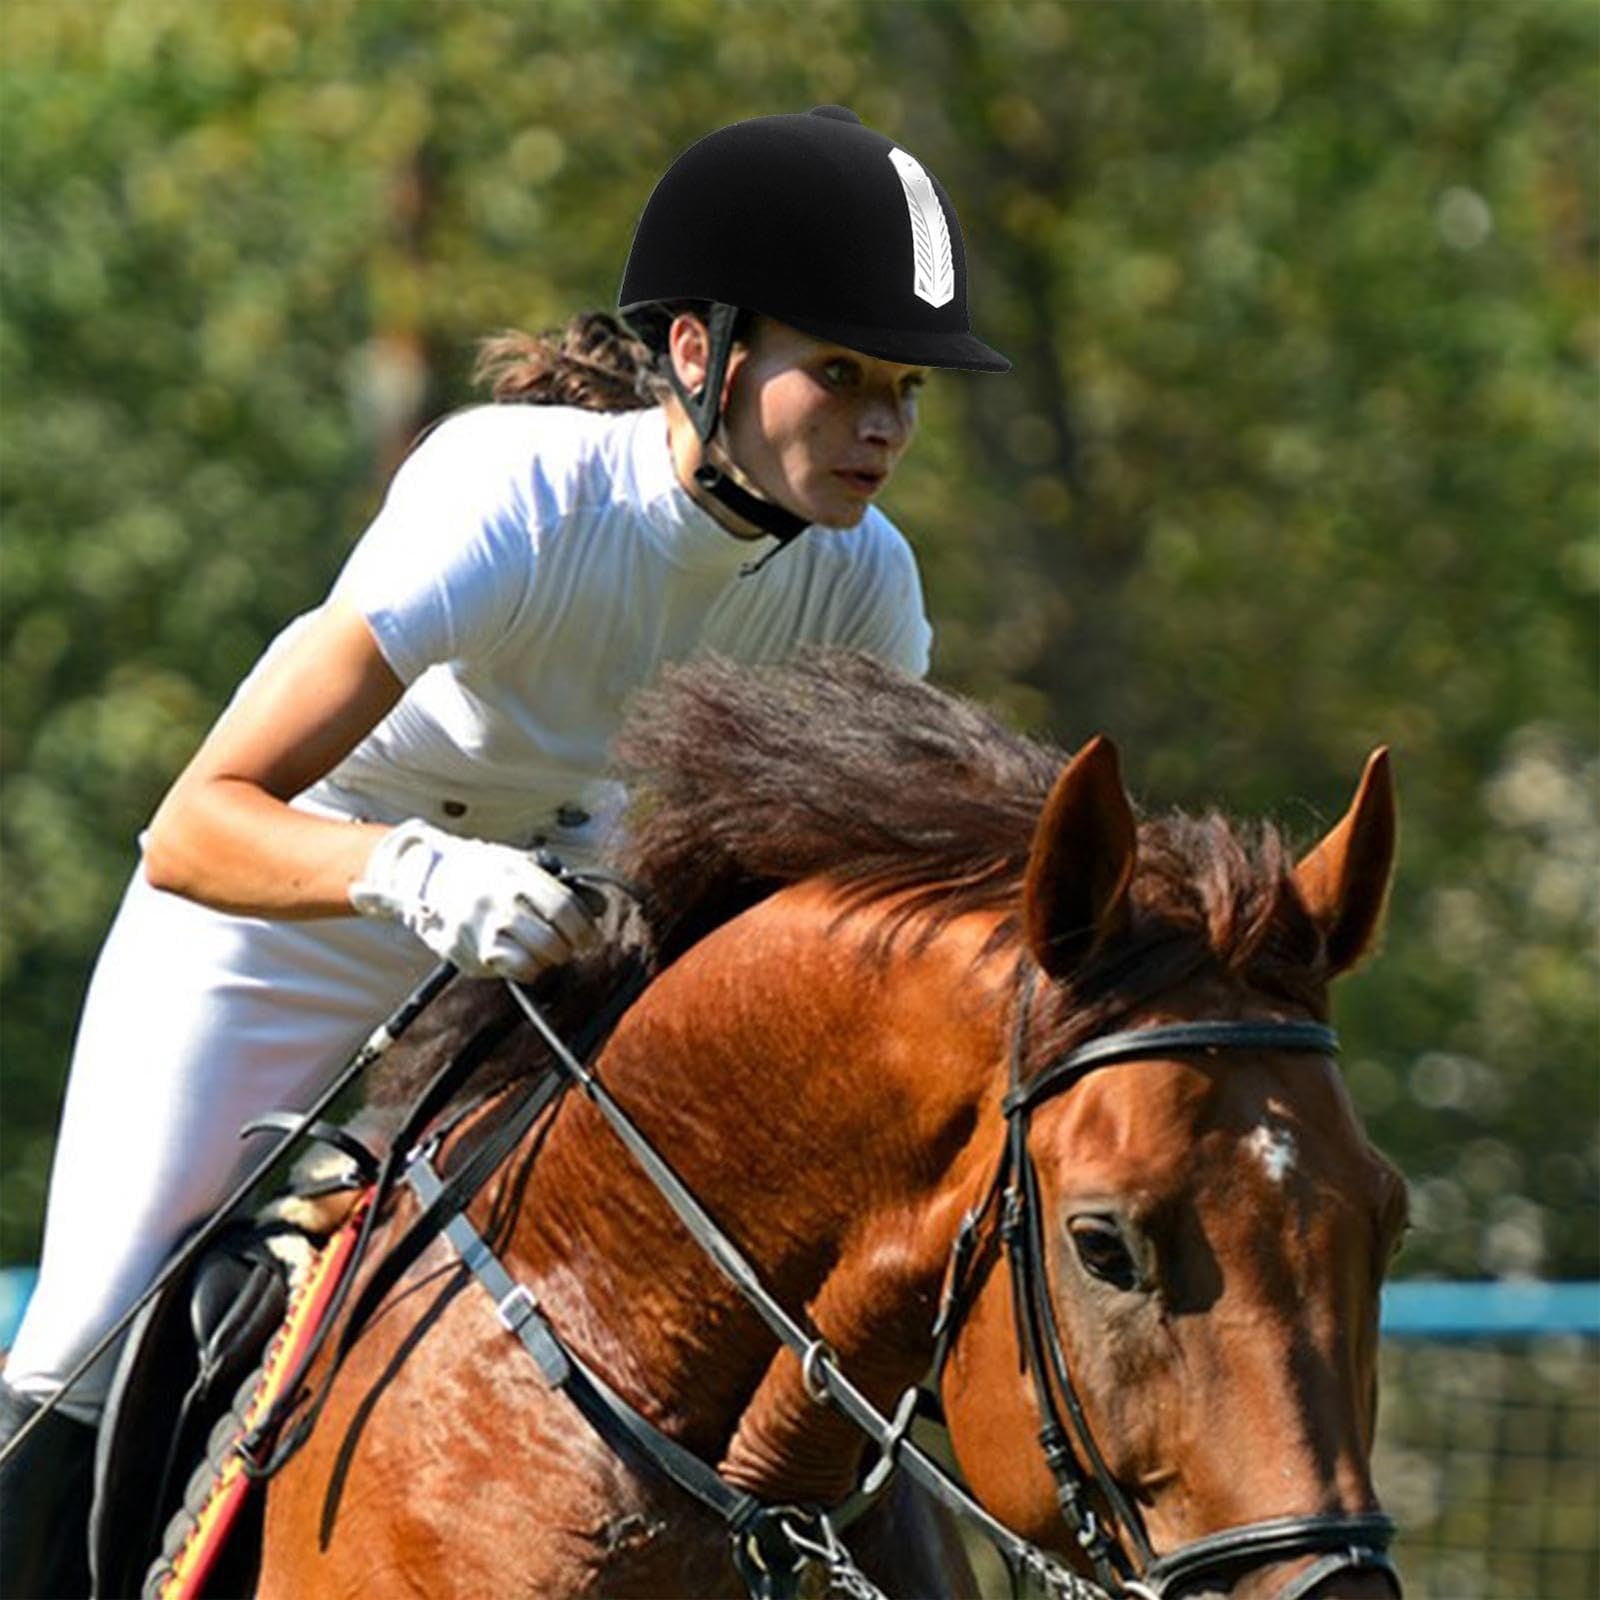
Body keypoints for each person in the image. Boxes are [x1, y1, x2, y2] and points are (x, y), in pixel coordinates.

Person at [0, 105, 1008, 1594]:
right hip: (281, 924)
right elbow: (193, 827)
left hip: (547, 964)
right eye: (841, 373)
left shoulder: (867, 585)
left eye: (904, 390)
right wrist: (413, 872)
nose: (882, 427)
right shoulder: (520, 493)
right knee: (88, 1335)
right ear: (698, 353)